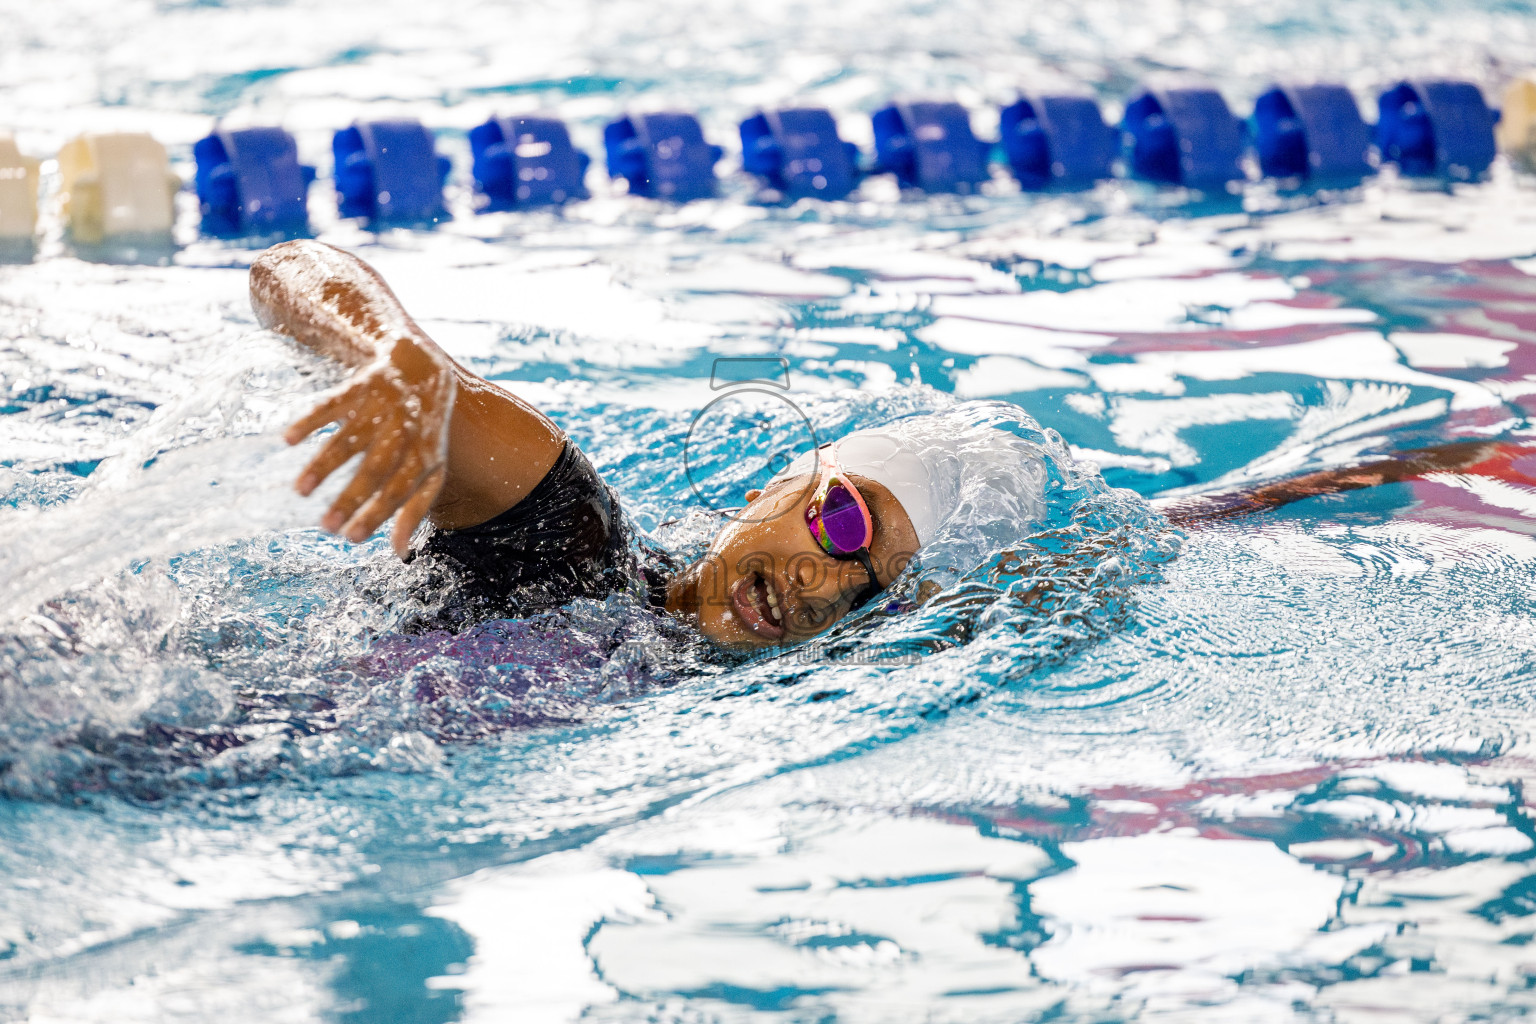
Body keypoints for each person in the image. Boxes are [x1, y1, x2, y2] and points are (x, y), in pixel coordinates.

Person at [251, 241, 1532, 650]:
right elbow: (295, 265)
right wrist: (400, 364)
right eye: (847, 522)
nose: (823, 579)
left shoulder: (718, 697)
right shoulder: (571, 548)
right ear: (788, 482)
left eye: (874, 587)